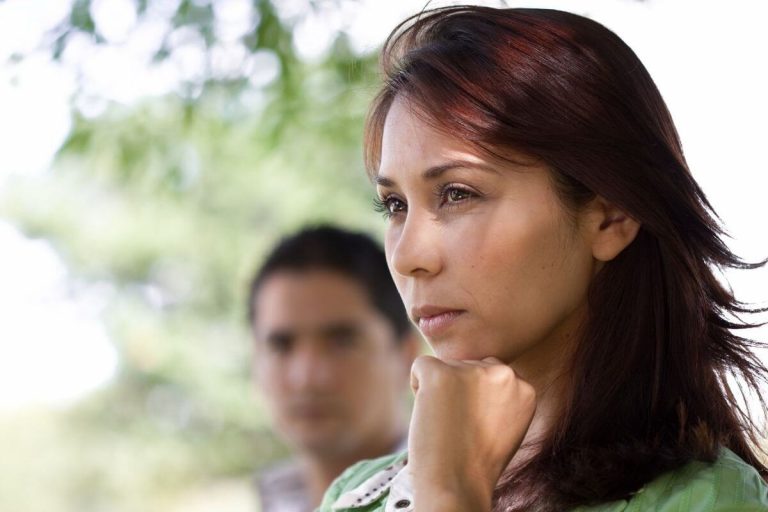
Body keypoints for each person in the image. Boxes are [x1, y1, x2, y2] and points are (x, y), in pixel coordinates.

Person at [319, 6, 768, 512]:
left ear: (609, 216)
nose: (407, 257)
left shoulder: (709, 501)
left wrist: (450, 495)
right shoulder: (355, 498)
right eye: (395, 206)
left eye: (458, 194)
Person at [248, 225, 420, 512]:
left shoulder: (478, 496)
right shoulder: (274, 499)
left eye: (342, 342)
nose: (307, 378)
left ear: (406, 354)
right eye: (281, 345)